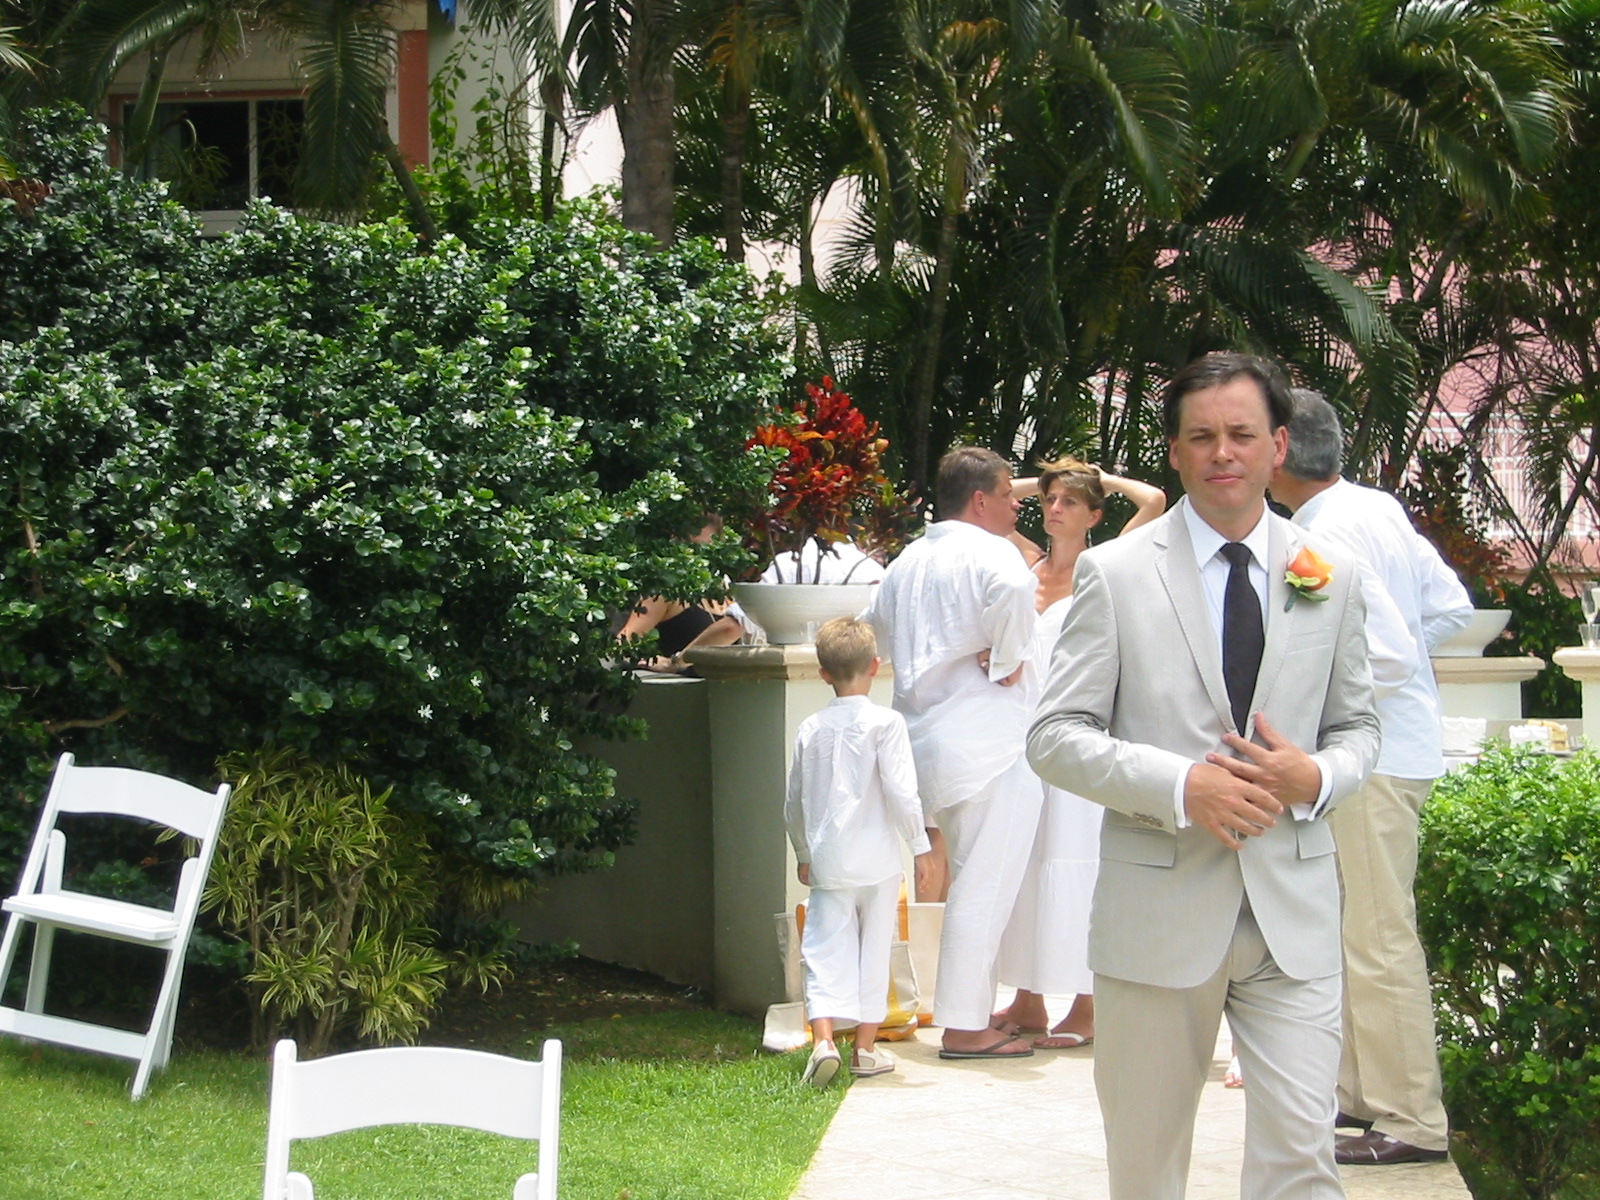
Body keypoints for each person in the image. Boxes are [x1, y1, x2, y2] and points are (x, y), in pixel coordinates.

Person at [1027, 352, 1381, 1200]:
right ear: (1176, 452)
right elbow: (1054, 737)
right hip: (1159, 915)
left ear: (1277, 446)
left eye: (1242, 434)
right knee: (1147, 1172)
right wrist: (1183, 786)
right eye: (1202, 436)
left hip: (1293, 916)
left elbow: (1361, 729)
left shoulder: (1330, 574)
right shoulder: (1116, 573)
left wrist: (1314, 775)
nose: (1224, 452)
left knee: (1303, 1163)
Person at [1270, 388, 1472, 1166]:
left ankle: (1410, 1119)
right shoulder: (1375, 508)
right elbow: (1448, 609)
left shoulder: (1313, 539)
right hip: (1395, 751)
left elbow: (1384, 650)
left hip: (1368, 762)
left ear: (1280, 451)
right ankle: (1361, 1095)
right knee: (1360, 931)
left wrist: (1327, 703)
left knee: (1378, 937)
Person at [865, 446, 1041, 1059]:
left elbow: (872, 628)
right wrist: (1010, 656)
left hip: (923, 740)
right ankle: (966, 1026)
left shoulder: (906, 562)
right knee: (984, 885)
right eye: (1009, 495)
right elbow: (1017, 589)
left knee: (973, 881)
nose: (1017, 506)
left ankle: (974, 1011)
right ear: (980, 500)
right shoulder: (993, 553)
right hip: (986, 743)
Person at [994, 459, 1165, 1049]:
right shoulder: (1025, 563)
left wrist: (1099, 478)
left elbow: (1154, 500)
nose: (1054, 509)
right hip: (1022, 735)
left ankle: (1088, 1005)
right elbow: (990, 501)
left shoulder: (1106, 564)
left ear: (1093, 515)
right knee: (1026, 861)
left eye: (1069, 502)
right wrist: (1048, 480)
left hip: (1079, 731)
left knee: (1075, 859)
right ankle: (1028, 999)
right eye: (1049, 500)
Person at [786, 617, 934, 1086]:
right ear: (875, 666)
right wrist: (920, 846)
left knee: (823, 948)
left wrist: (803, 851)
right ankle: (865, 1050)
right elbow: (902, 792)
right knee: (875, 950)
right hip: (879, 859)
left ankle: (823, 1041)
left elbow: (794, 800)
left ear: (823, 673)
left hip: (829, 858)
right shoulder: (887, 723)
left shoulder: (810, 728)